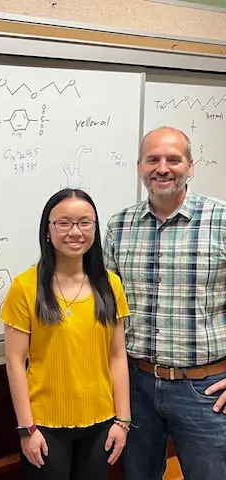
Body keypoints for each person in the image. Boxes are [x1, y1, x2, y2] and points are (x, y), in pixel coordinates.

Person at [104, 126, 226, 480]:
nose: (163, 168)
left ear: (191, 166)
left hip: (205, 390)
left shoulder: (220, 220)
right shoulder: (120, 225)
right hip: (135, 387)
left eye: (173, 159)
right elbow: (107, 308)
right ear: (139, 166)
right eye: (152, 159)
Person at [1, 188, 131, 480]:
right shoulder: (25, 287)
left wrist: (122, 421)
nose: (75, 231)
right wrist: (27, 429)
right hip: (45, 427)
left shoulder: (110, 285)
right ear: (48, 230)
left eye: (85, 222)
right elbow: (14, 362)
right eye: (64, 223)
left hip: (102, 423)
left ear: (95, 229)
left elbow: (117, 355)